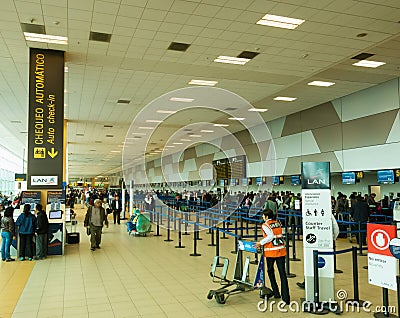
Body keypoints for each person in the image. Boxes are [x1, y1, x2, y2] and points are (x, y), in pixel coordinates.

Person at [255, 208, 290, 304]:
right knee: (282, 274)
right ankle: (286, 298)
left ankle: (276, 292)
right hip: (281, 250)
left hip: (271, 252)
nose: (262, 217)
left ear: (266, 216)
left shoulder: (265, 225)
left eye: (263, 215)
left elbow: (270, 236)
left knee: (270, 272)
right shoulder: (277, 223)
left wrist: (260, 243)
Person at [297, 214, 339, 289]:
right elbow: (336, 229)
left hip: (314, 243)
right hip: (326, 242)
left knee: (311, 263)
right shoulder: (329, 214)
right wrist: (333, 238)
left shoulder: (311, 215)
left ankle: (308, 282)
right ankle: (324, 284)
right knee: (324, 263)